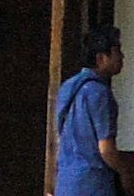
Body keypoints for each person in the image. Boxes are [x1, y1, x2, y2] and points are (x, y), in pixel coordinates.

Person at [53, 25, 125, 196]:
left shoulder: (68, 87)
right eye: (117, 51)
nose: (122, 57)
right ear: (101, 58)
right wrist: (124, 172)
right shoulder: (100, 93)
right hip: (93, 183)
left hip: (66, 181)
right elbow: (106, 149)